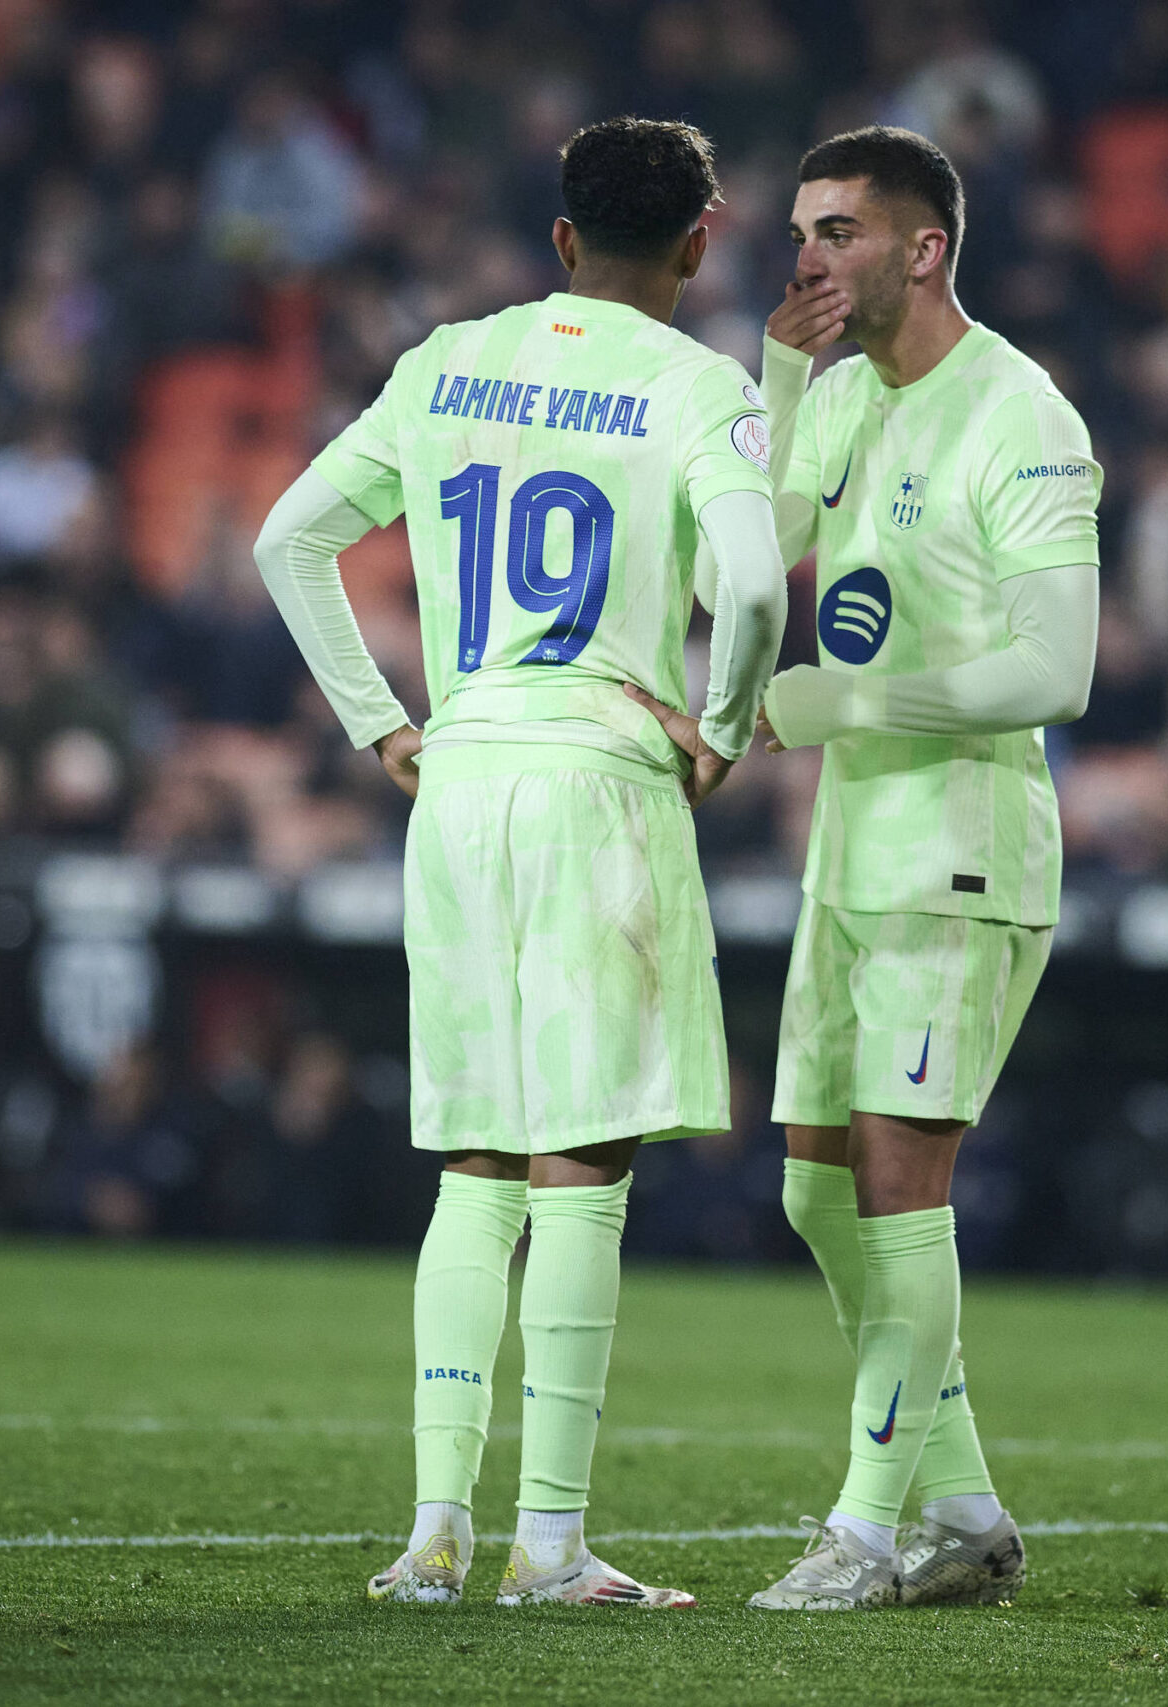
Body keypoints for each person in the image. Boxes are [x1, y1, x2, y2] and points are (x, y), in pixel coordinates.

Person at [251, 117, 785, 1609]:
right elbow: (746, 580)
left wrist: (382, 724)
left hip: (461, 771)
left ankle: (433, 1534)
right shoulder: (697, 384)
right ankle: (550, 1541)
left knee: (474, 1164)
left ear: (561, 238)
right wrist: (726, 724)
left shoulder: (441, 363)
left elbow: (290, 540)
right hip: (597, 773)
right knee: (582, 1165)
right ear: (700, 239)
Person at [744, 126, 1100, 1612]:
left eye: (836, 232)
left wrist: (852, 701)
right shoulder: (836, 403)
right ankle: (961, 1505)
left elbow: (1059, 665)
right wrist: (772, 373)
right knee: (815, 1196)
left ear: (923, 247)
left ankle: (869, 1528)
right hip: (853, 851)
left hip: (960, 852)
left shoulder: (1019, 413)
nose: (810, 256)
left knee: (898, 1187)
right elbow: (750, 565)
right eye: (802, 231)